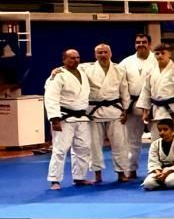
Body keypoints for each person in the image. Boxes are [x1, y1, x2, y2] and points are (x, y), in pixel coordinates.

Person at [44, 48, 96, 189]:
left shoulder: (83, 71)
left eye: (77, 57)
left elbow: (96, 64)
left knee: (83, 148)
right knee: (60, 149)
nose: (75, 60)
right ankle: (55, 180)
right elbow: (51, 97)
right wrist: (54, 119)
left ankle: (80, 177)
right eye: (72, 58)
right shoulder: (58, 75)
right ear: (64, 60)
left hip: (81, 117)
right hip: (64, 117)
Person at [84, 43, 131, 184]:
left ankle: (121, 173)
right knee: (94, 145)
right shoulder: (86, 69)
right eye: (100, 53)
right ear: (95, 55)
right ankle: (97, 174)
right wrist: (57, 70)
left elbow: (124, 91)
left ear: (110, 54)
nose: (103, 55)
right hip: (93, 111)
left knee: (120, 144)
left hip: (115, 110)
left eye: (105, 52)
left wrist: (125, 109)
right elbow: (69, 70)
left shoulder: (119, 70)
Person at [118, 32, 157, 167]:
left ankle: (157, 168)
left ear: (149, 44)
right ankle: (130, 168)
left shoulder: (158, 60)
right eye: (138, 42)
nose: (141, 45)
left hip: (154, 105)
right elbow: (120, 86)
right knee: (131, 140)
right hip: (132, 105)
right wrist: (123, 109)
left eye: (144, 42)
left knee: (157, 138)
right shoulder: (126, 62)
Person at [142, 118, 174, 190]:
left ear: (172, 130)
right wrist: (158, 172)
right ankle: (162, 181)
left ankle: (168, 182)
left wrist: (167, 172)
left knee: (171, 182)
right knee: (148, 184)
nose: (162, 132)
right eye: (160, 130)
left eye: (165, 129)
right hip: (160, 170)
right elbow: (153, 161)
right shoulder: (155, 144)